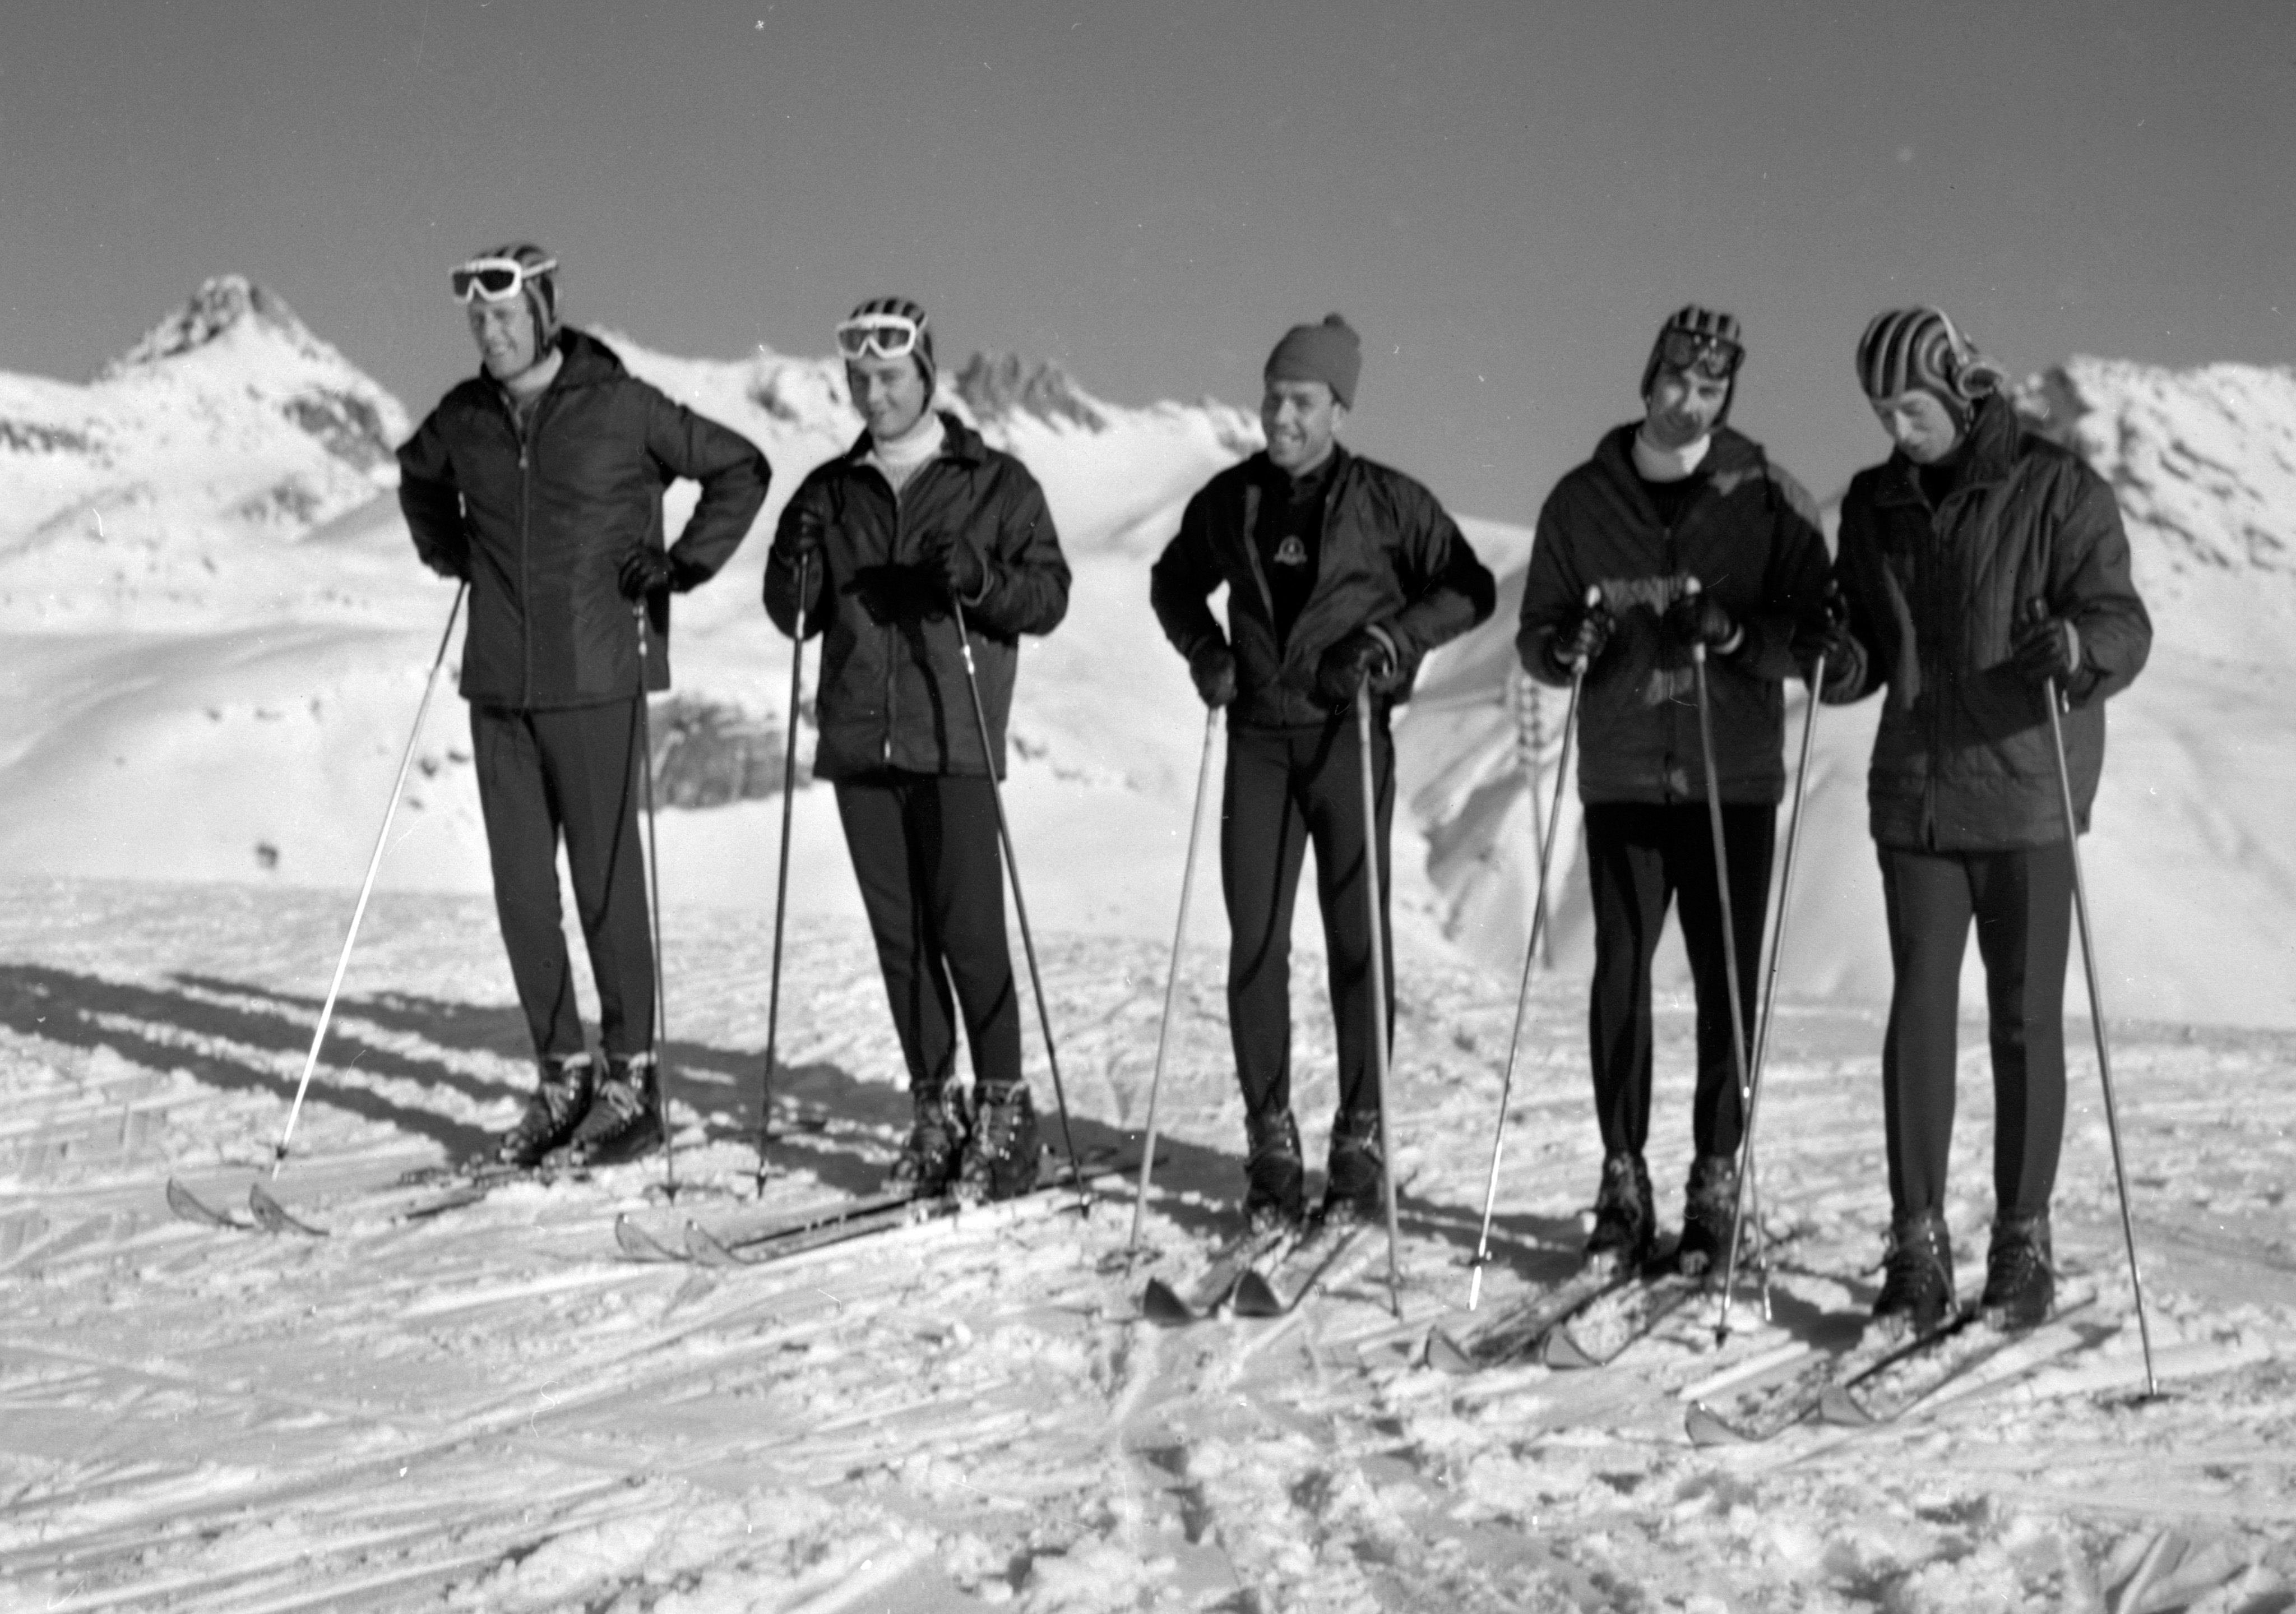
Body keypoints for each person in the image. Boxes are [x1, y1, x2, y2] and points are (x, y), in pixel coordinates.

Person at [1816, 306, 2151, 1334]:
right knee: (1920, 1009)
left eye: (1910, 406)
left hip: (2025, 793)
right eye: (1881, 411)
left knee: (2022, 1020)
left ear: (1957, 387)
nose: (1897, 427)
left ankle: (2023, 1239)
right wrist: (1838, 658)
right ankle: (1916, 1248)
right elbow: (1866, 638)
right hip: (1915, 795)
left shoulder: (2056, 488)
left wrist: (2079, 653)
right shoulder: (1874, 503)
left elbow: (2123, 623)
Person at [398, 243, 770, 1169]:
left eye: (506, 313)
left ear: (546, 311)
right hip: (500, 686)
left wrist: (681, 565)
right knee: (523, 893)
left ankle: (632, 1081)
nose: (490, 330)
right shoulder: (466, 419)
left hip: (598, 674)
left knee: (605, 891)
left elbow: (743, 468)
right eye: (477, 319)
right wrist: (453, 552)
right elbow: (417, 475)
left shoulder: (621, 405)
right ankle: (561, 1074)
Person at [1151, 314, 1494, 1232]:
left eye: (1301, 401)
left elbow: (1468, 586)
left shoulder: (1388, 502)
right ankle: (1271, 1144)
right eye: (1272, 397)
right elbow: (1172, 581)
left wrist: (1387, 643)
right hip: (1260, 736)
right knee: (1256, 944)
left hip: (1348, 733)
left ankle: (1360, 1133)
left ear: (1339, 408)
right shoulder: (1231, 501)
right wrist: (1204, 651)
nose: (1280, 416)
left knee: (1357, 942)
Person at [1515, 306, 1829, 1278]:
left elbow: (1817, 633)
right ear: (1647, 379)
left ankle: (1716, 1179)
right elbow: (1538, 632)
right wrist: (1567, 648)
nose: (1690, 404)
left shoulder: (1769, 496)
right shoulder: (1581, 500)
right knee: (1619, 972)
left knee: (1725, 984)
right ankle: (1623, 1176)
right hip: (1621, 775)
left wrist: (1735, 634)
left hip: (1728, 777)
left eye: (1711, 391)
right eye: (1676, 384)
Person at [763, 297, 1071, 1203]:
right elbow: (795, 616)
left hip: (954, 737)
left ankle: (1006, 1117)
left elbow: (1048, 596)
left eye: (889, 377)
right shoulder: (831, 490)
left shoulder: (995, 483)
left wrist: (978, 578)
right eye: (858, 378)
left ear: (927, 374)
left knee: (970, 934)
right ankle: (936, 1110)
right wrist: (796, 558)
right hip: (862, 742)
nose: (872, 393)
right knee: (902, 941)